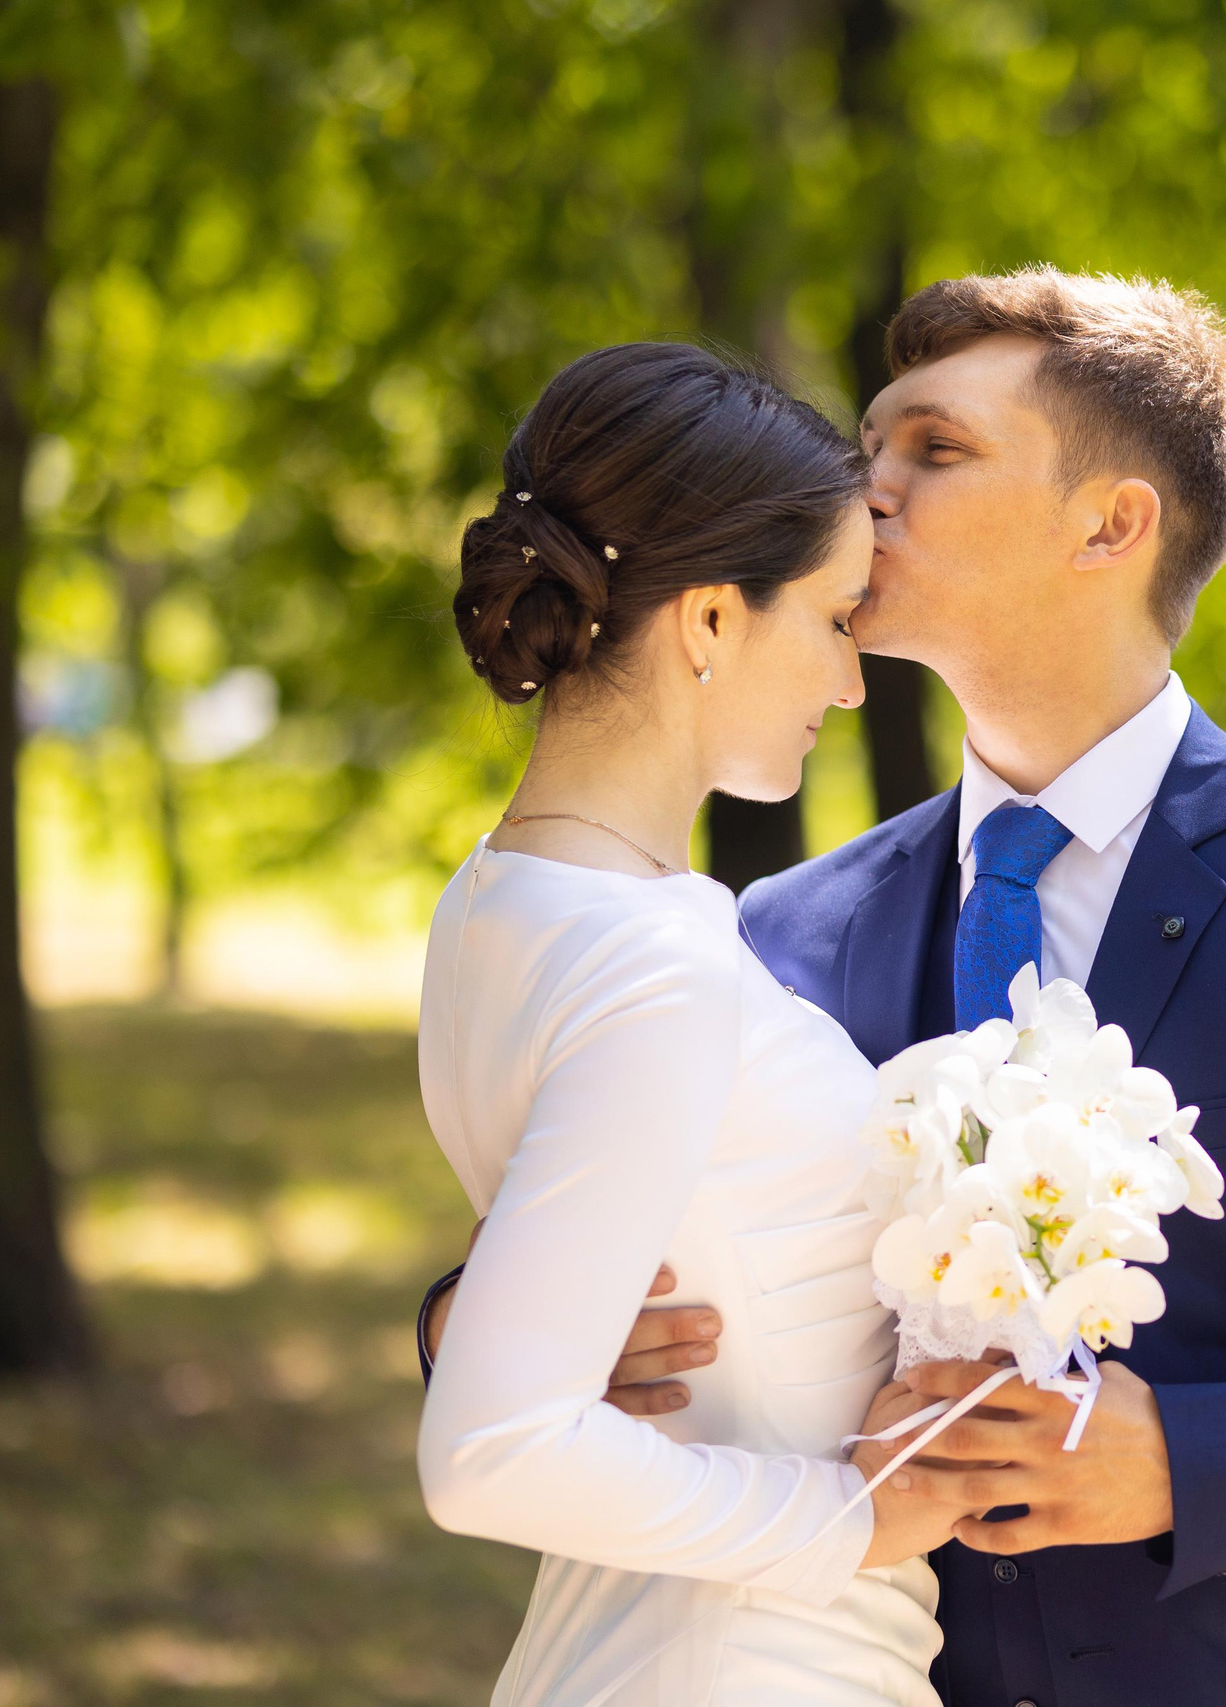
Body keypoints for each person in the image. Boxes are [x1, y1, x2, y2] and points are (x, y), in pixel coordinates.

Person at [428, 270, 1226, 1704]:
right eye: (868, 446)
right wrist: (478, 1322)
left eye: (932, 453)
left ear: (1112, 524)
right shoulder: (784, 929)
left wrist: (1196, 1470)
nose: (864, 491)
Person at [413, 341, 981, 1707]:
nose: (851, 686)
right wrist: (851, 1519)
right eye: (836, 620)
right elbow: (491, 1445)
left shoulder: (495, 904)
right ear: (713, 622)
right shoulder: (655, 961)